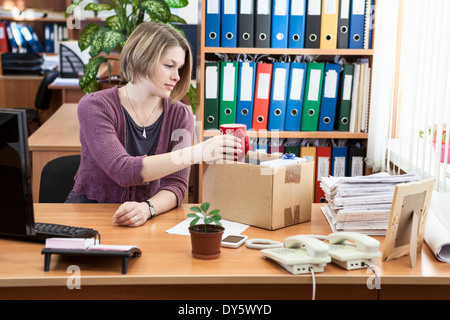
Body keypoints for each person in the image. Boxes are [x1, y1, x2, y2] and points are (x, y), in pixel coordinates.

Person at [66, 21, 241, 227]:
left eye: (180, 68)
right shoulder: (95, 106)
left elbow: (176, 185)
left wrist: (147, 208)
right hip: (91, 213)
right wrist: (197, 152)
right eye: (169, 65)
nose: (176, 76)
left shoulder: (179, 114)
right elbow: (122, 170)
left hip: (144, 218)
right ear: (142, 58)